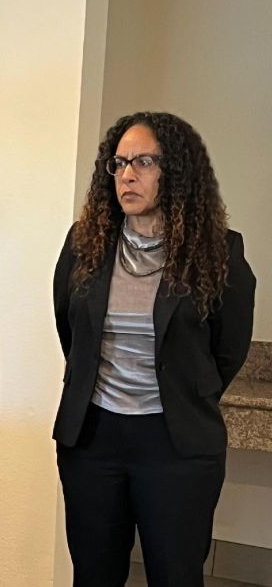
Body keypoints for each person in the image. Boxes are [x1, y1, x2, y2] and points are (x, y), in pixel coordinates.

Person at [53, 112, 256, 587]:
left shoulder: (219, 252)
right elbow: (72, 331)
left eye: (144, 161)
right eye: (120, 162)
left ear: (176, 173)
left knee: (176, 575)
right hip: (93, 440)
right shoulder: (85, 243)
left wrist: (182, 392)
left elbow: (228, 350)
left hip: (176, 444)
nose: (127, 174)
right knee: (94, 574)